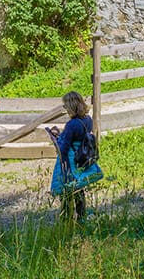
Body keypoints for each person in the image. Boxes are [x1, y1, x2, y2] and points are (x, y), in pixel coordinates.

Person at [46, 91, 97, 221]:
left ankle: (66, 220)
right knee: (79, 189)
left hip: (70, 161)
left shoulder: (72, 124)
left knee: (67, 191)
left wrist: (56, 138)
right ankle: (81, 217)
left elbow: (64, 148)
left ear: (71, 105)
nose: (65, 108)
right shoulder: (88, 119)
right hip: (81, 157)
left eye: (65, 106)